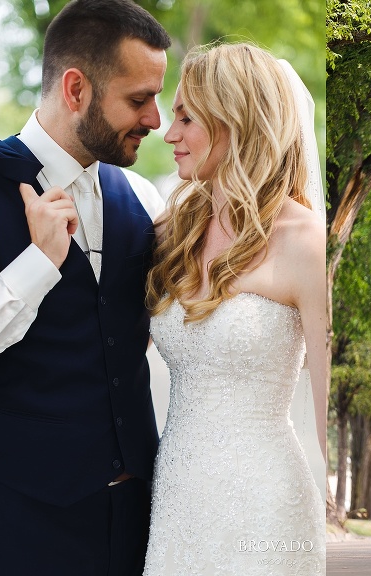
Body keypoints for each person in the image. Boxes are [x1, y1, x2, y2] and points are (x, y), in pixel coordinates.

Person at [0, 1, 171, 574]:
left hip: (142, 522)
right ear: (76, 90)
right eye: (138, 99)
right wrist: (38, 265)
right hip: (20, 526)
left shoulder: (145, 198)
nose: (156, 120)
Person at [141, 42, 327, 575]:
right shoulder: (169, 234)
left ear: (235, 121)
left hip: (265, 505)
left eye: (186, 117)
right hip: (176, 499)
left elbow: (325, 407)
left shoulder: (305, 241)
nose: (169, 132)